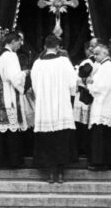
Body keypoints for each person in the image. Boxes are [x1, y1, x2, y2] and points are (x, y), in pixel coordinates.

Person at [30, 34, 79, 183]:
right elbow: (72, 83)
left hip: (45, 108)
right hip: (61, 106)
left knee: (47, 139)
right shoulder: (64, 62)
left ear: (45, 47)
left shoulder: (37, 63)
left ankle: (50, 173)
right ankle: (60, 173)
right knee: (61, 138)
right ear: (58, 47)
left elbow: (35, 86)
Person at [0, 31, 30, 169]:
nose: (21, 45)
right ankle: (13, 161)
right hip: (7, 96)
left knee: (1, 129)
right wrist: (24, 73)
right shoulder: (11, 56)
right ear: (13, 41)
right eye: (20, 41)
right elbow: (14, 78)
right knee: (10, 128)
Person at [85, 43, 111, 170]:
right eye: (94, 54)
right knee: (109, 135)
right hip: (108, 106)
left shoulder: (106, 66)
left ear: (105, 53)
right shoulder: (107, 66)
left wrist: (90, 84)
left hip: (105, 107)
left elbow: (101, 87)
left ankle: (100, 163)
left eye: (97, 54)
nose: (95, 56)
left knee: (102, 134)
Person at [72, 38, 97, 156]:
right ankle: (82, 149)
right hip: (83, 96)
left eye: (93, 46)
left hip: (90, 96)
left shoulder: (96, 63)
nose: (91, 50)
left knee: (86, 124)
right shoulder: (86, 62)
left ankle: (86, 149)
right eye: (89, 47)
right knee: (82, 124)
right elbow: (77, 78)